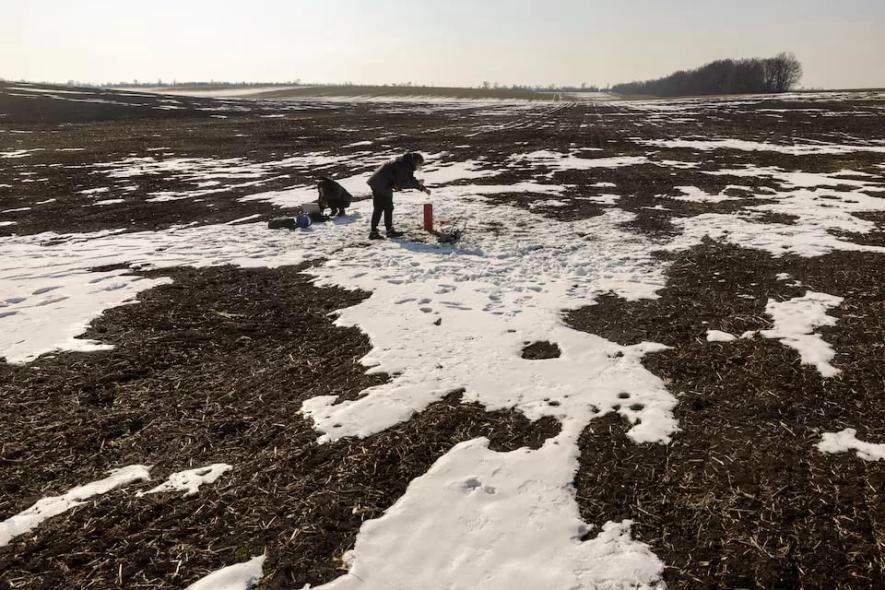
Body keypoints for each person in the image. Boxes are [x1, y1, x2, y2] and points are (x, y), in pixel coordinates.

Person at [367, 152, 431, 240]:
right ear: (415, 162)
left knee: (386, 207)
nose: (419, 167)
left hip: (382, 183)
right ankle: (377, 232)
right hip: (381, 184)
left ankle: (384, 230)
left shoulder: (406, 164)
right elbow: (402, 184)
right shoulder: (403, 166)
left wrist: (422, 188)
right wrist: (418, 183)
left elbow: (409, 179)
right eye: (419, 165)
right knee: (382, 208)